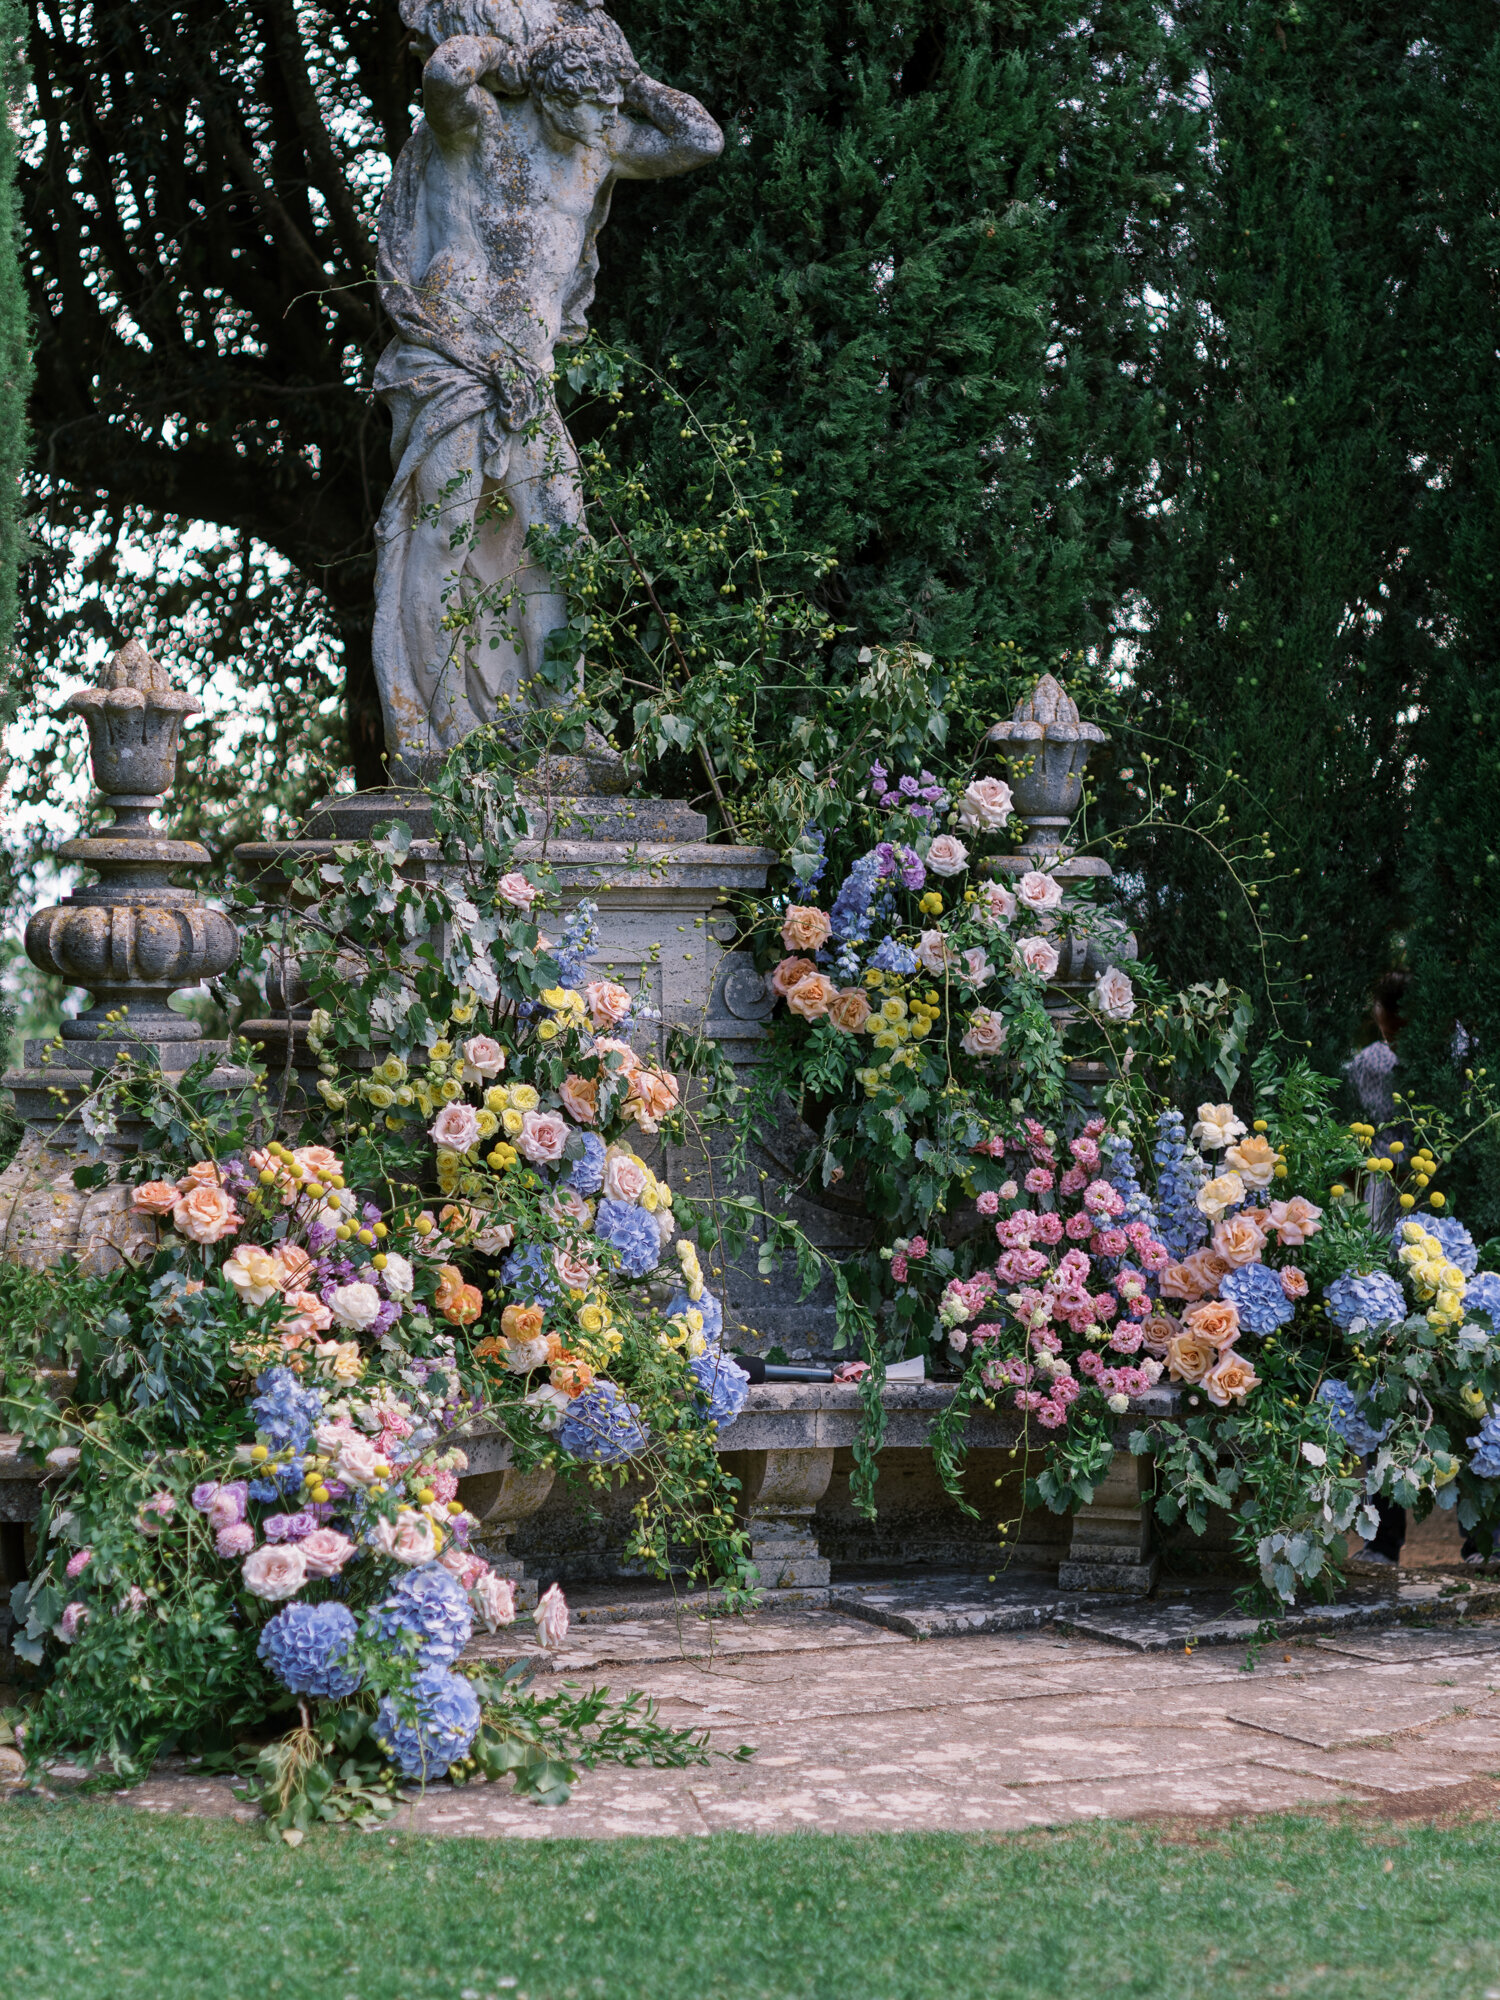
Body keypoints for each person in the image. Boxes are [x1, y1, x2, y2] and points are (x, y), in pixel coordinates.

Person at [371, 0, 723, 778]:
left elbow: (701, 139)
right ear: (550, 89)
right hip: (455, 357)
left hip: (529, 377)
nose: (600, 121)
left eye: (608, 109)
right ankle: (442, 720)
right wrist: (505, 54)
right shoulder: (479, 132)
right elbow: (444, 71)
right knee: (447, 532)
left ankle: (558, 716)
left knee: (560, 538)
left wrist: (627, 79)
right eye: (587, 105)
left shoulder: (598, 146)